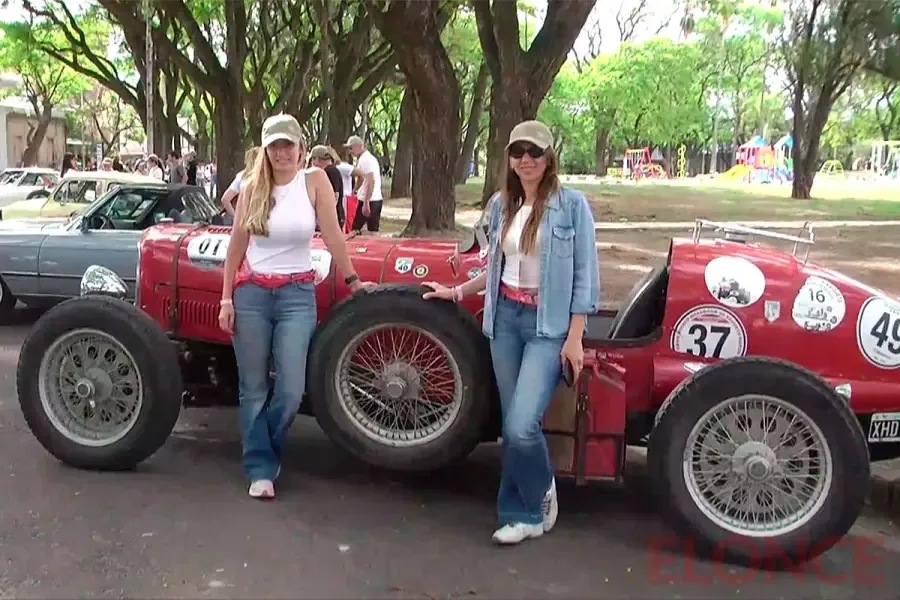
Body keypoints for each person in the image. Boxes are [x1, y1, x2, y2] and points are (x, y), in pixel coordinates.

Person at [421, 120, 600, 545]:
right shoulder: (504, 205)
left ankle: (540, 491)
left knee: (522, 425)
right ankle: (519, 515)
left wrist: (575, 338)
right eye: (518, 152)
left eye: (535, 152)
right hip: (505, 322)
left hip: (546, 327)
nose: (526, 160)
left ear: (549, 157)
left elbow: (585, 277)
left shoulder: (572, 206)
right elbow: (495, 268)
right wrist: (457, 290)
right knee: (511, 424)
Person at [218, 113, 374, 500]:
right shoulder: (252, 185)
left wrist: (353, 278)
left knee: (290, 388)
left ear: (302, 149)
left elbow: (334, 234)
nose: (282, 152)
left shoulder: (315, 181)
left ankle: (265, 447)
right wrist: (225, 297)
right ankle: (260, 466)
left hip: (297, 295)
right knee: (253, 387)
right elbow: (236, 245)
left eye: (289, 144)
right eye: (275, 145)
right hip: (251, 293)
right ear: (266, 149)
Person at [344, 135, 382, 232]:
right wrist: (355, 190)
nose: (350, 151)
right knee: (371, 229)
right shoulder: (366, 159)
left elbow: (371, 180)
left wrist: (366, 202)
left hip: (370, 200)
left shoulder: (366, 160)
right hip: (374, 199)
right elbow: (362, 179)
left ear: (359, 146)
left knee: (356, 229)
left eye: (351, 148)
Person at [308, 145, 345, 229]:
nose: (312, 163)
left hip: (331, 219)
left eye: (313, 159)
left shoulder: (330, 172)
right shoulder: (329, 171)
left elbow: (335, 195)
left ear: (318, 159)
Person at [220, 147, 261, 217]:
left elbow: (225, 199)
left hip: (245, 219)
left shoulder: (241, 176)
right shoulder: (266, 176)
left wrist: (236, 217)